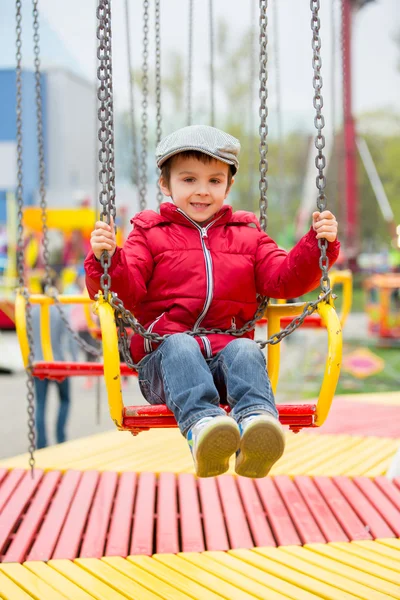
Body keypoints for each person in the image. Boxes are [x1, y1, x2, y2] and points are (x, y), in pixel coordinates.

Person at [85, 125, 340, 478]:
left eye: (214, 181)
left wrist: (316, 245)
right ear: (166, 184)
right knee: (180, 345)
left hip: (225, 365)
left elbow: (283, 278)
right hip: (166, 366)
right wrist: (106, 259)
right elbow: (126, 290)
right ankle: (204, 429)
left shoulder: (247, 234)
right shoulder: (149, 233)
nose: (202, 191)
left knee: (245, 350)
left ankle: (257, 424)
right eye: (189, 180)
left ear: (228, 185)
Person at [31, 275, 73, 448]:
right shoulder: (59, 309)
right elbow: (68, 338)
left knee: (40, 403)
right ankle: (60, 436)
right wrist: (74, 358)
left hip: (38, 362)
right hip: (58, 362)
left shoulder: (31, 311)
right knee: (65, 399)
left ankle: (41, 443)